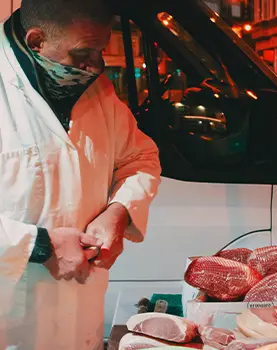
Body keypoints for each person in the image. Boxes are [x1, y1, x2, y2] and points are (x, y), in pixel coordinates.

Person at [0, 0, 161, 349]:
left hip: (79, 313)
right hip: (10, 318)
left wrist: (118, 211)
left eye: (101, 51)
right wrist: (39, 246)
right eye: (83, 53)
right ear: (35, 40)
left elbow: (140, 157)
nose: (95, 66)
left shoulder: (98, 91)